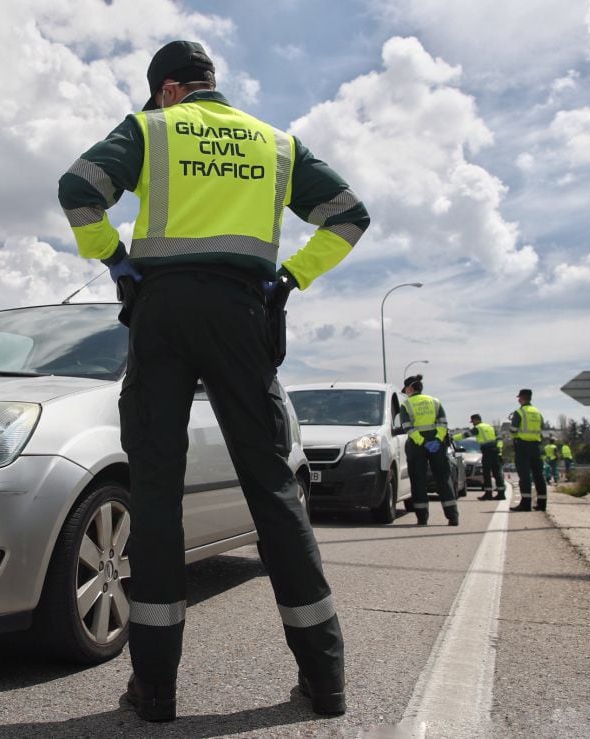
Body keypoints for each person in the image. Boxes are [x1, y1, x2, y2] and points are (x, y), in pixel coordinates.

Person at [58, 40, 369, 722]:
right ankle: (326, 680)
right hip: (242, 313)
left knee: (157, 495)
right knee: (275, 491)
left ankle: (157, 689)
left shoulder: (151, 129)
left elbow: (78, 190)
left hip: (162, 313)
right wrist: (290, 277)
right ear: (210, 83)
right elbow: (350, 214)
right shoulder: (278, 145)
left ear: (168, 90)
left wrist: (116, 261)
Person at [398, 375, 459, 526]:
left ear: (410, 388)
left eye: (406, 389)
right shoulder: (435, 401)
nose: (405, 392)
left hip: (417, 446)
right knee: (443, 479)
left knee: (418, 480)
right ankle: (453, 517)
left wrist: (423, 442)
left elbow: (408, 428)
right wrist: (437, 440)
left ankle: (422, 518)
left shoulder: (406, 405)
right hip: (437, 445)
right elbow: (443, 423)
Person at [510, 388, 547, 511]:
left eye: (519, 398)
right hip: (536, 446)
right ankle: (542, 504)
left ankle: (526, 504)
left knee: (524, 476)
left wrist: (514, 436)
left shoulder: (520, 412)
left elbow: (513, 430)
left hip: (522, 446)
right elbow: (542, 427)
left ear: (521, 398)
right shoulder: (537, 412)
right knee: (539, 475)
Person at [455, 413, 505, 500]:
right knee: (497, 473)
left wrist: (452, 437)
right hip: (495, 450)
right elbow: (499, 438)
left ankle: (488, 494)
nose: (472, 423)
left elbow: (465, 435)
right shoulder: (490, 427)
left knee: (486, 472)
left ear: (475, 420)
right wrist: (499, 451)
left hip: (487, 451)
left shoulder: (478, 428)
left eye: (473, 421)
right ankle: (501, 494)